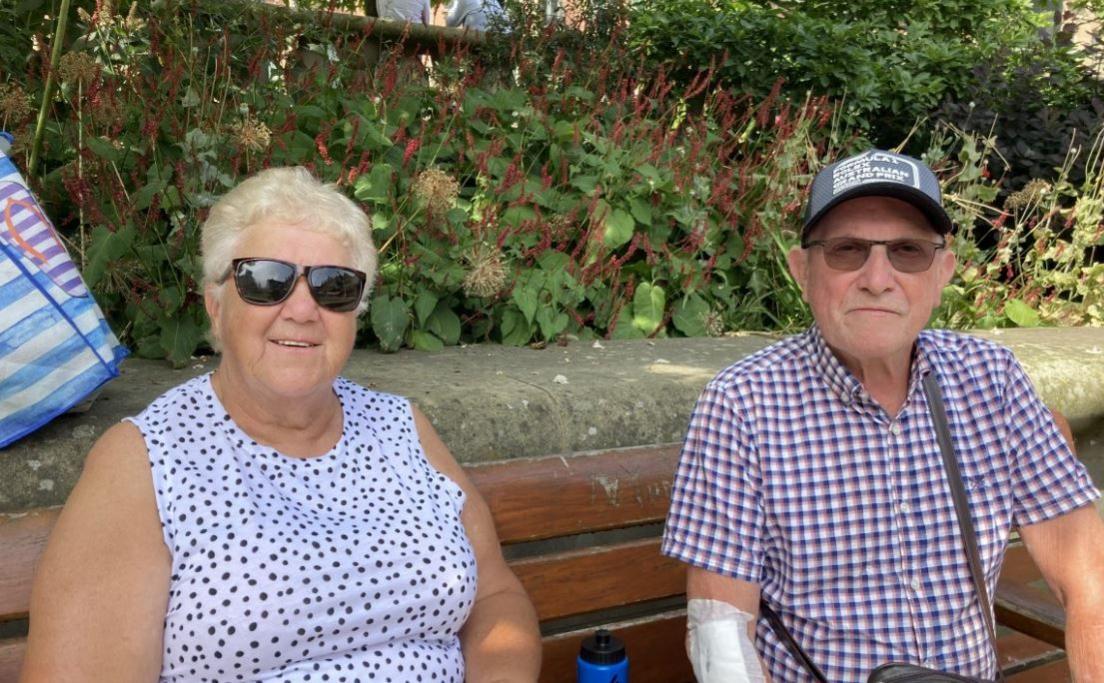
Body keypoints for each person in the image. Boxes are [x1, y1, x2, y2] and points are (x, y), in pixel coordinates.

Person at [21, 167, 541, 682]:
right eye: (266, 281)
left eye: (333, 286)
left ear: (355, 313)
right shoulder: (146, 461)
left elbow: (494, 595)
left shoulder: (401, 427)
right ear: (215, 304)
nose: (301, 309)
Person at [662, 149, 1104, 682]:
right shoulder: (742, 405)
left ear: (943, 271)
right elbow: (722, 638)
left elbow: (1089, 580)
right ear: (803, 270)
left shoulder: (992, 380)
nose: (877, 278)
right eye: (847, 251)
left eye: (908, 252)